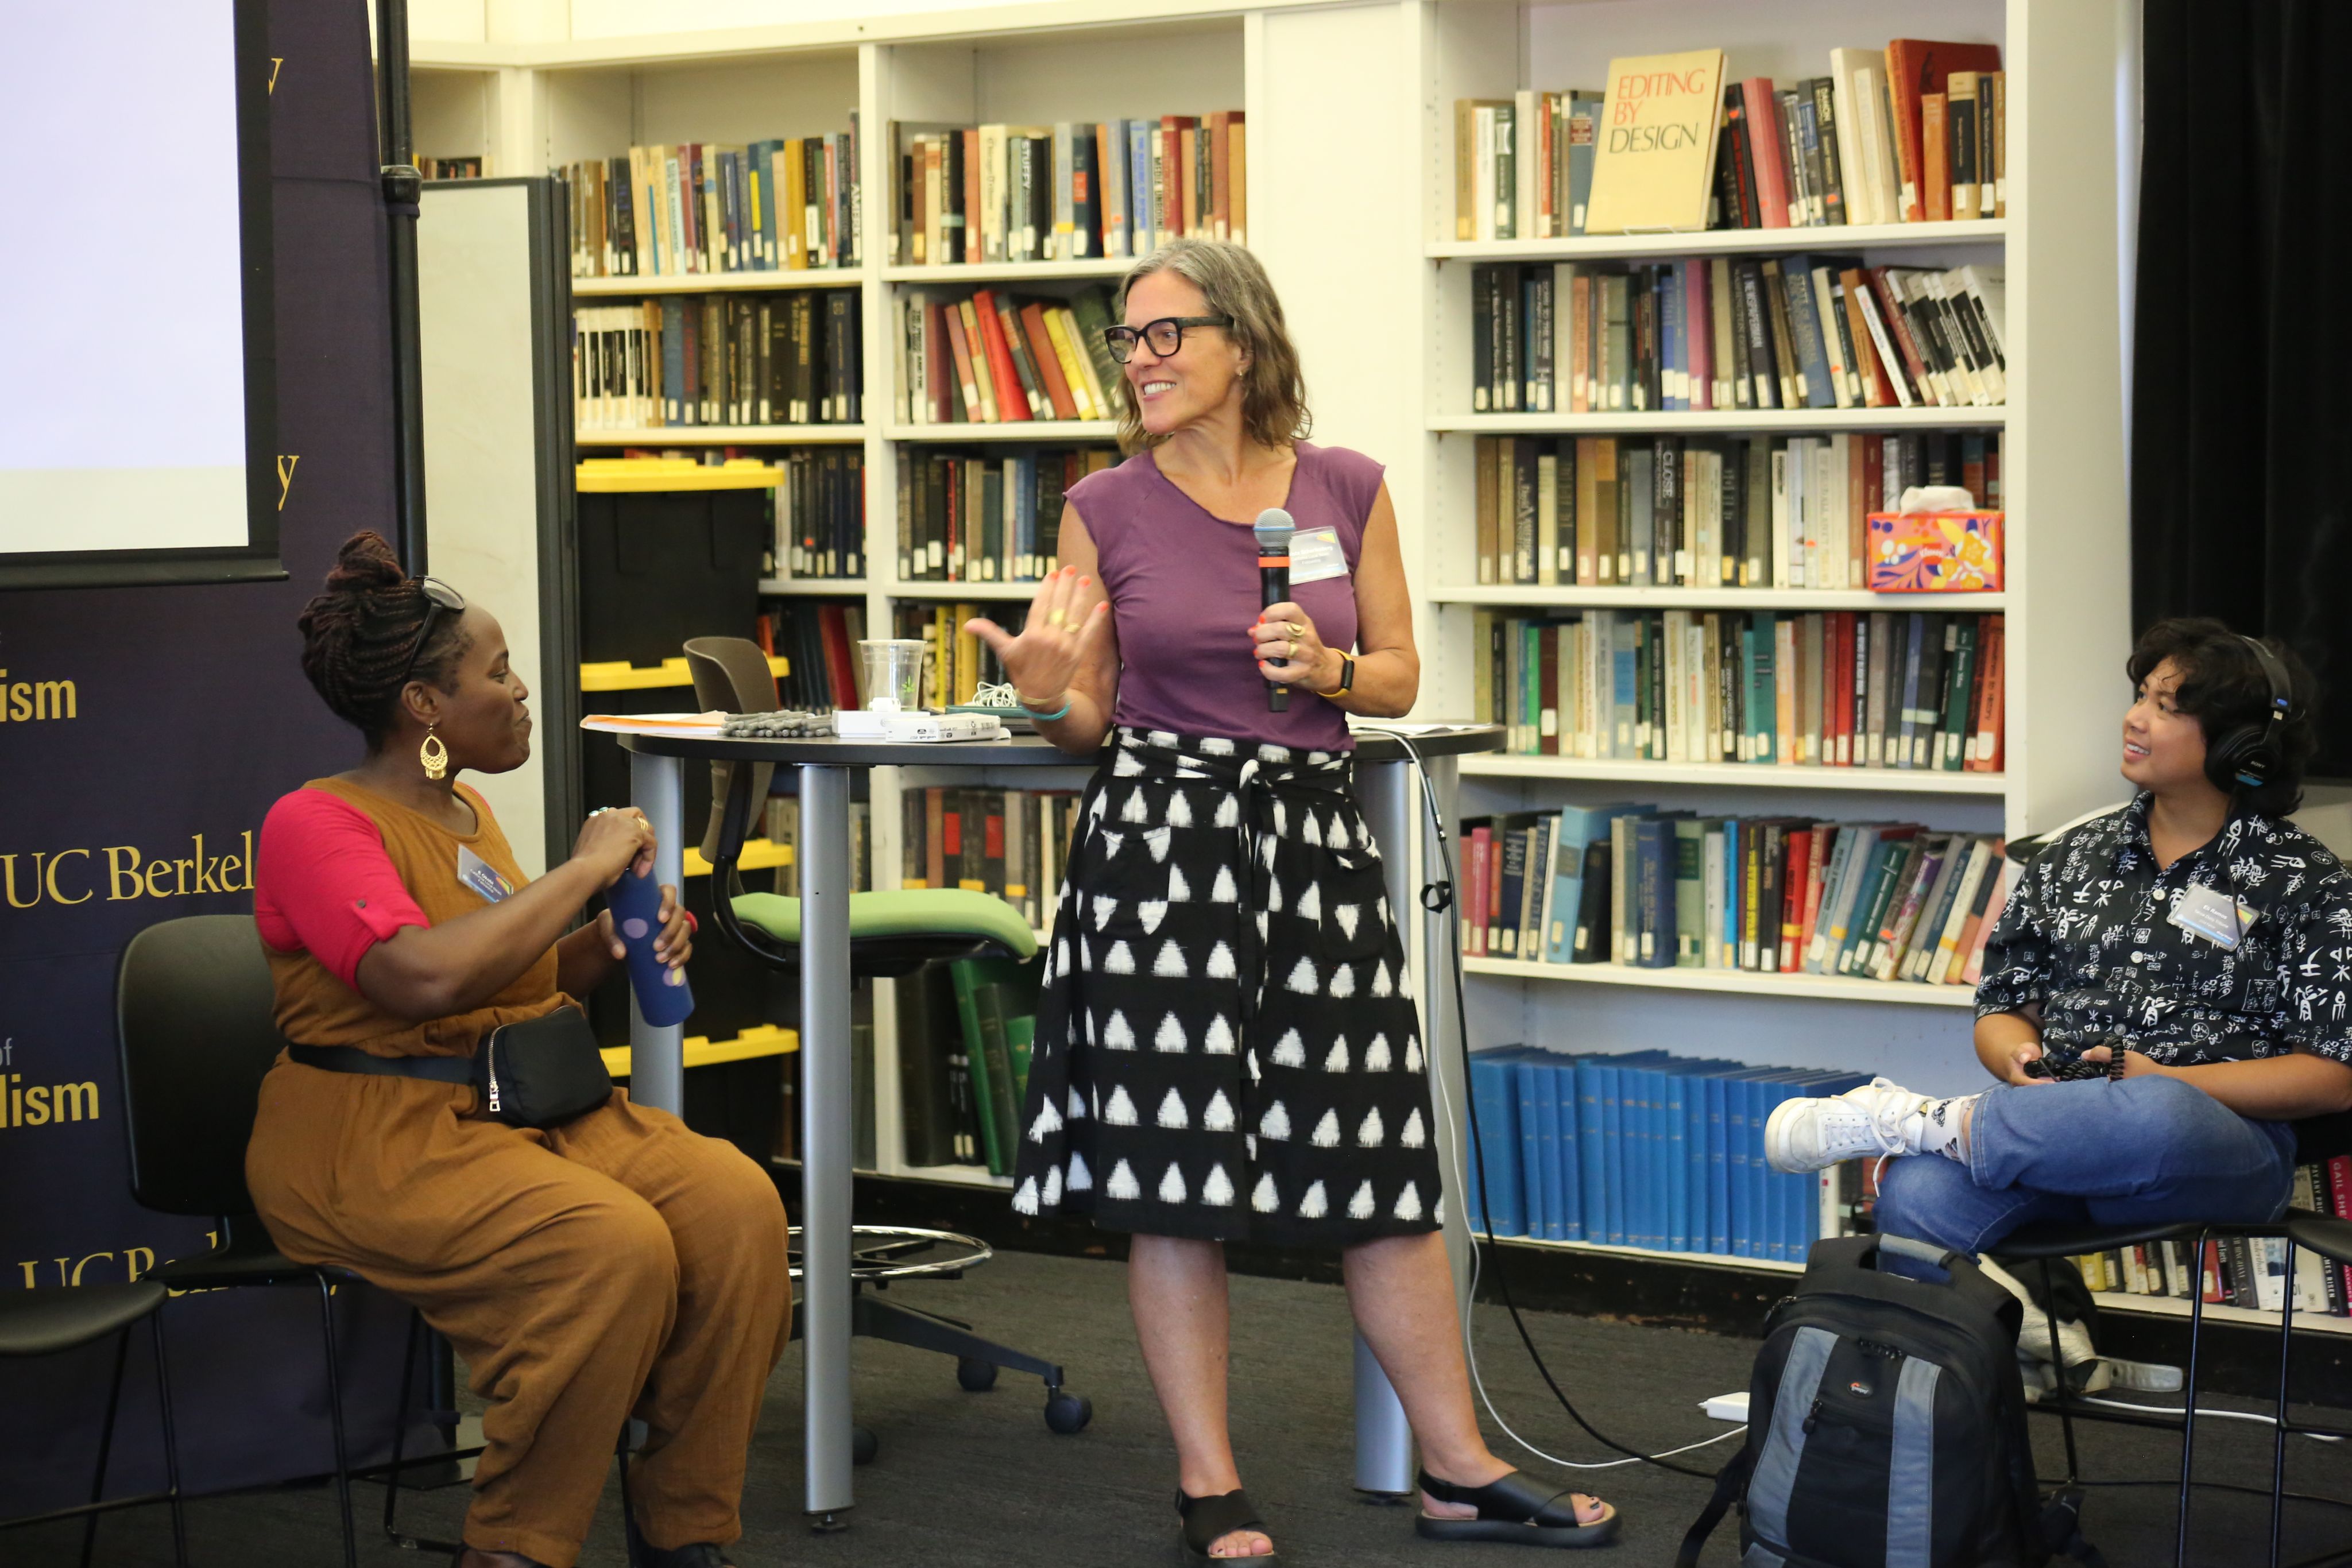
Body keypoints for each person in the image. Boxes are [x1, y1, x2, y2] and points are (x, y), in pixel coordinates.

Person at [962, 239, 1617, 1560]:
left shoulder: (1346, 486)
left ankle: (1458, 1468)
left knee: (1379, 1163)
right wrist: (1042, 688)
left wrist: (1326, 663)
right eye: (1127, 340)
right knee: (1172, 1176)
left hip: (1311, 850)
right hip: (1159, 853)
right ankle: (1210, 1484)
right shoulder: (1103, 507)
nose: (1139, 360)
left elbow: (1398, 680)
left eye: (1164, 334)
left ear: (1244, 343)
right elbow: (1087, 725)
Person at [245, 532, 790, 1568]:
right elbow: (422, 979)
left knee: (736, 1208)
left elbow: (515, 980)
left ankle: (683, 1531)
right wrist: (581, 876)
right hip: (375, 1139)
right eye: (496, 673)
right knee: (610, 1249)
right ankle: (516, 1548)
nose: (520, 687)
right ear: (424, 708)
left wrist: (609, 944)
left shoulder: (468, 812)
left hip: (531, 1111)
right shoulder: (314, 824)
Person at [1765, 618, 2352, 1268]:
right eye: (2140, 697)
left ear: (2243, 746)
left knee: (2158, 1111)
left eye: (2166, 708)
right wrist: (2017, 1056)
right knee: (1918, 1190)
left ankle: (1921, 1121)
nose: (2134, 720)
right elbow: (2003, 1008)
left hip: (2214, 1151)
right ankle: (2002, 1349)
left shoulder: (2305, 881)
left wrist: (2169, 1079)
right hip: (2061, 1129)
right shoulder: (2071, 858)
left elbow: (2330, 1078)